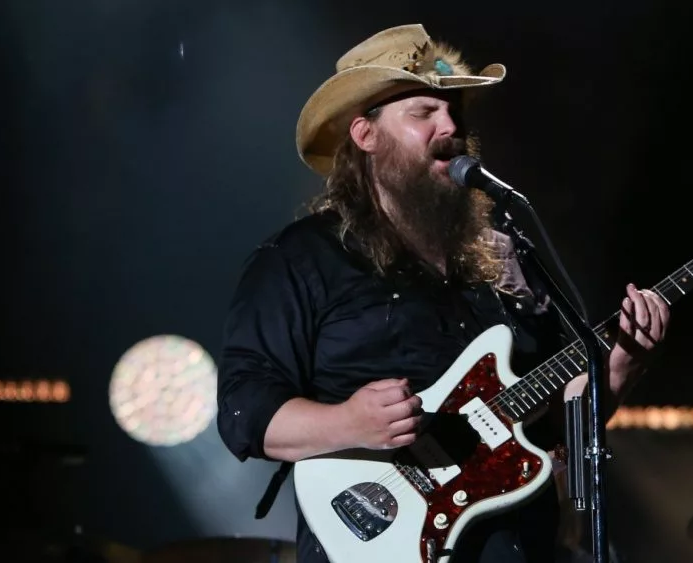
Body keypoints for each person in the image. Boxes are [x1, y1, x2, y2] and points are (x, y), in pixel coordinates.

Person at [216, 23, 670, 563]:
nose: (450, 125)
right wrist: (348, 422)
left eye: (453, 111)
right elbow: (244, 410)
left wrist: (617, 367)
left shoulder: (502, 259)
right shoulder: (302, 258)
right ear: (366, 136)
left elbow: (554, 426)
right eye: (423, 113)